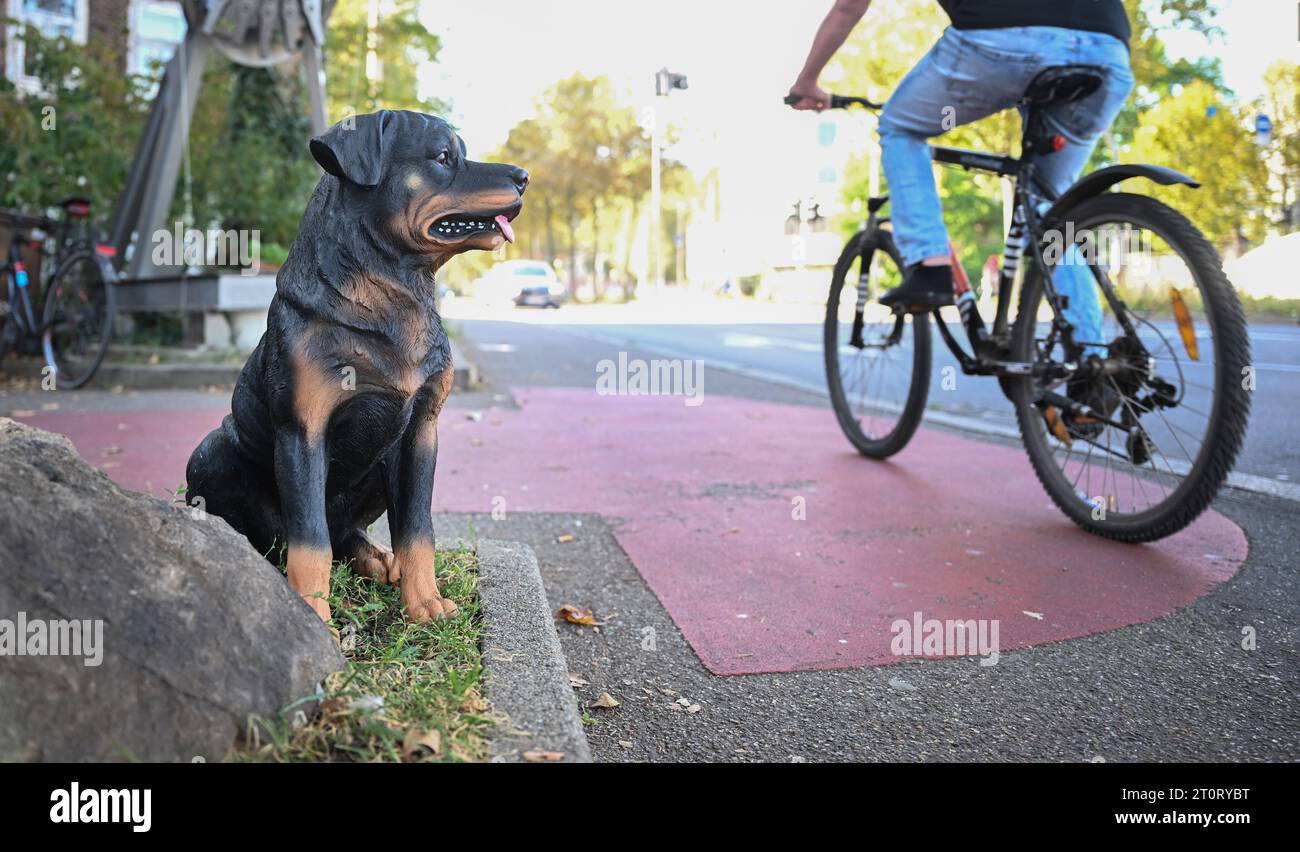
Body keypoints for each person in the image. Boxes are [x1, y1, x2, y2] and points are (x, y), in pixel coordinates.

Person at [787, 0, 1133, 333]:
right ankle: (1092, 361)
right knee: (1050, 210)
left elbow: (849, 5)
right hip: (1107, 48)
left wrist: (807, 81)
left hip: (1002, 39)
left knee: (900, 127)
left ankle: (931, 267)